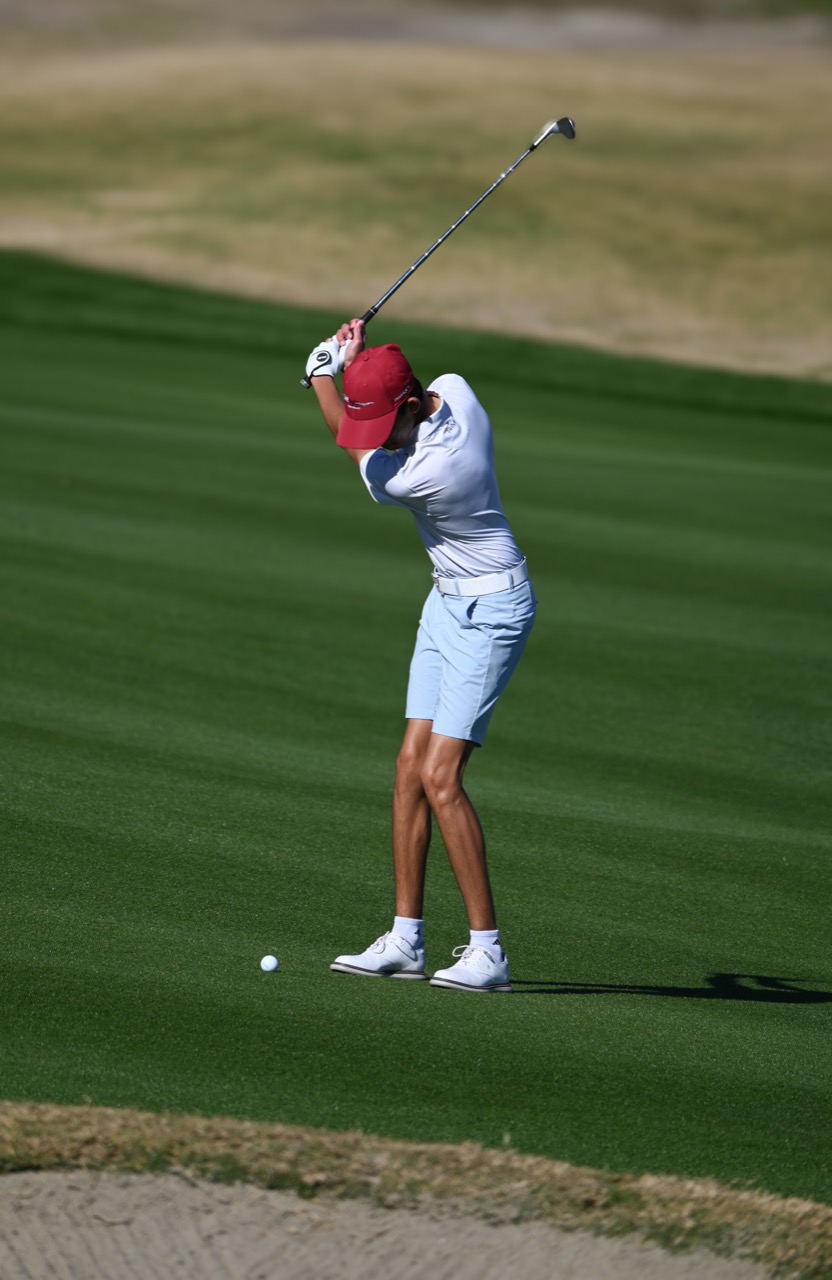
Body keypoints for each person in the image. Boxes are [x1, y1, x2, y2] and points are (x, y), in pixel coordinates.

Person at [305, 319, 537, 993]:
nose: (380, 436)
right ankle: (406, 940)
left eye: (387, 423)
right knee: (409, 766)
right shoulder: (455, 390)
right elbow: (376, 413)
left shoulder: (430, 473)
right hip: (445, 601)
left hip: (492, 613)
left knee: (441, 776)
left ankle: (488, 953)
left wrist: (321, 372)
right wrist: (357, 365)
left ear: (410, 405)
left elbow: (350, 443)